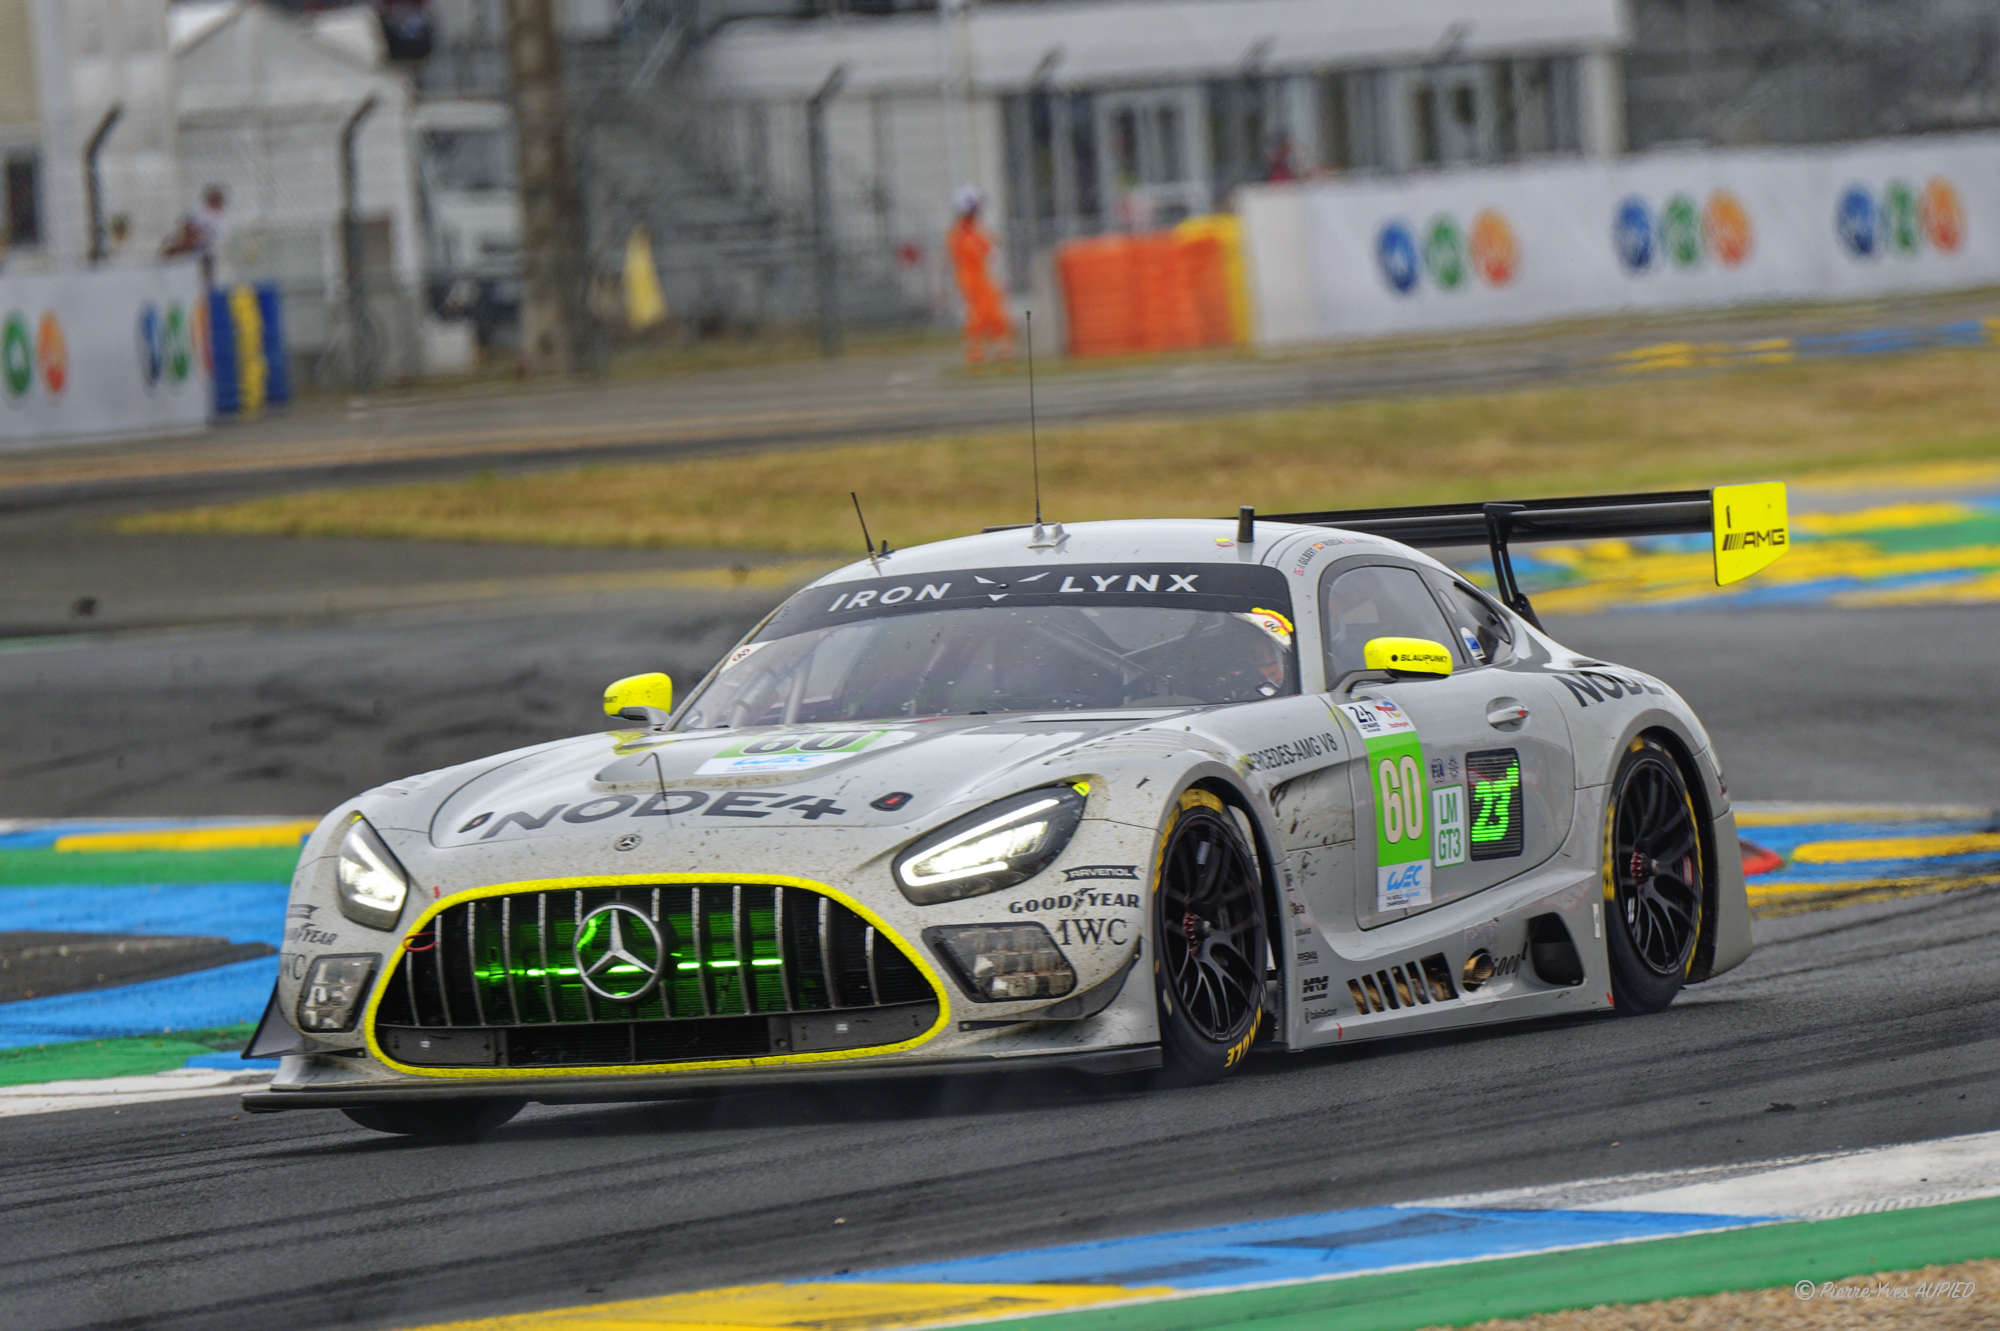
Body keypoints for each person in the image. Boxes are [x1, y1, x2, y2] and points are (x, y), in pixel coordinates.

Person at [947, 185, 1012, 365]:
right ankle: (976, 351)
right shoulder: (959, 232)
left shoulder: (974, 229)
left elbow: (989, 245)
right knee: (978, 316)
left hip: (981, 276)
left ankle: (1002, 348)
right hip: (971, 279)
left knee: (995, 312)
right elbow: (971, 251)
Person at [161, 184, 228, 285]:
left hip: (203, 251)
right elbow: (186, 228)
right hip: (190, 248)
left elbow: (208, 238)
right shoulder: (197, 210)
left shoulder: (220, 218)